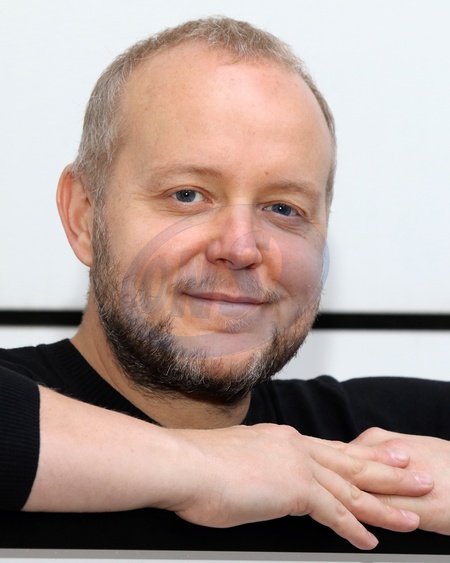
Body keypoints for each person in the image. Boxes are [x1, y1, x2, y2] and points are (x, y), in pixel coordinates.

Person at [1, 16, 450, 554]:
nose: (240, 247)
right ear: (83, 216)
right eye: (187, 195)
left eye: (283, 208)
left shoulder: (389, 455)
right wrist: (203, 467)